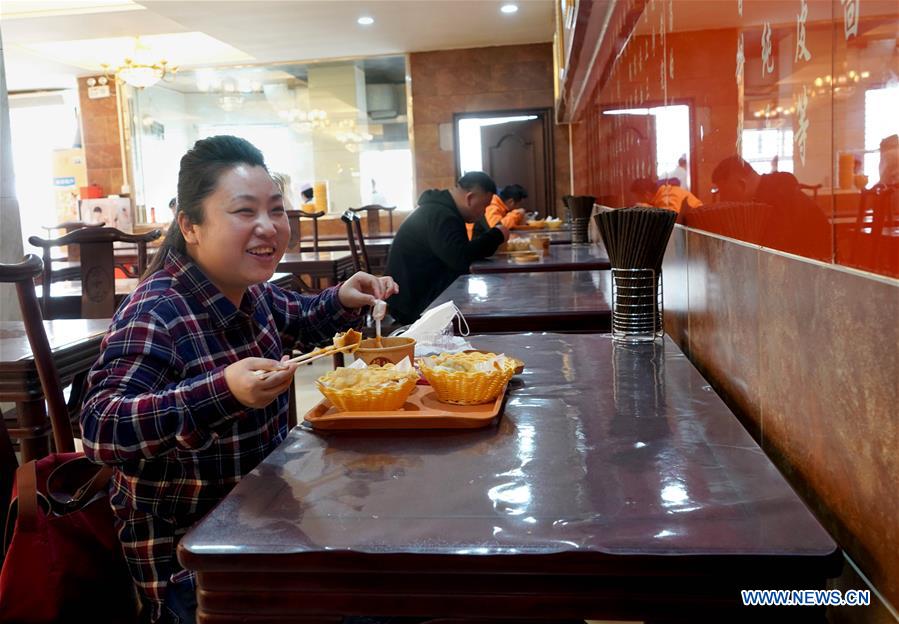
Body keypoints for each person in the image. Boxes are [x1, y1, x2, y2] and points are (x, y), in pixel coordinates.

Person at [79, 135, 397, 624]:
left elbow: (299, 315)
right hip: (194, 563)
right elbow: (102, 426)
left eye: (276, 209)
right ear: (190, 225)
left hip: (263, 519)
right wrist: (221, 391)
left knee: (385, 568)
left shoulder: (250, 293)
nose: (268, 227)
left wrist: (340, 298)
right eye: (244, 211)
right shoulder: (157, 310)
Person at [385, 171, 509, 324]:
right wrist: (496, 235)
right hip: (414, 305)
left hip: (422, 296)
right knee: (491, 315)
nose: (484, 212)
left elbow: (459, 253)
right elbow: (460, 258)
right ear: (470, 198)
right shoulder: (440, 214)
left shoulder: (442, 210)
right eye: (484, 205)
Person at [709, 155, 829, 259]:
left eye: (724, 192)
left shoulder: (777, 199)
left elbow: (772, 254)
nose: (723, 200)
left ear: (742, 185)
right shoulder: (768, 192)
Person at [629, 177, 701, 213]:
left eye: (638, 198)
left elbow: (671, 220)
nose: (638, 201)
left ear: (647, 195)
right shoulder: (661, 195)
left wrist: (648, 208)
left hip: (701, 228)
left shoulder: (667, 196)